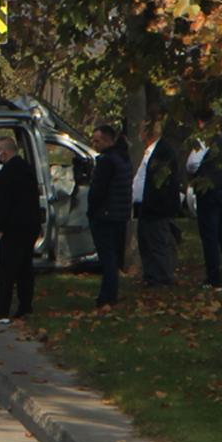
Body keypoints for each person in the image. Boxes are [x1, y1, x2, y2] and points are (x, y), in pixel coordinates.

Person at [0, 136, 43, 320]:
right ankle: (25, 305)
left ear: (4, 152)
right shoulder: (26, 169)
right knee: (25, 268)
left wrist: (0, 226)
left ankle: (1, 308)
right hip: (29, 226)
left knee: (7, 270)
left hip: (13, 228)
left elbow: (4, 204)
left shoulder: (8, 173)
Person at [187, 117, 222, 289]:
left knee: (210, 236)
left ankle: (214, 278)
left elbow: (193, 164)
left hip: (210, 191)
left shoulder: (205, 140)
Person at [131, 116, 181, 287]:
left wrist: (153, 203)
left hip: (157, 207)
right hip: (146, 206)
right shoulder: (150, 151)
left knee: (158, 243)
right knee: (147, 242)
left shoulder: (163, 152)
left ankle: (162, 277)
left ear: (147, 133)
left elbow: (161, 183)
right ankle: (151, 276)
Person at [88, 122, 133, 308]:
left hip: (105, 215)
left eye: (97, 140)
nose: (94, 144)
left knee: (107, 258)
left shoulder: (106, 161)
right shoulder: (123, 159)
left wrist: (93, 210)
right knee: (112, 257)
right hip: (119, 214)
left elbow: (99, 190)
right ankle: (109, 294)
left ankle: (107, 296)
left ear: (107, 141)